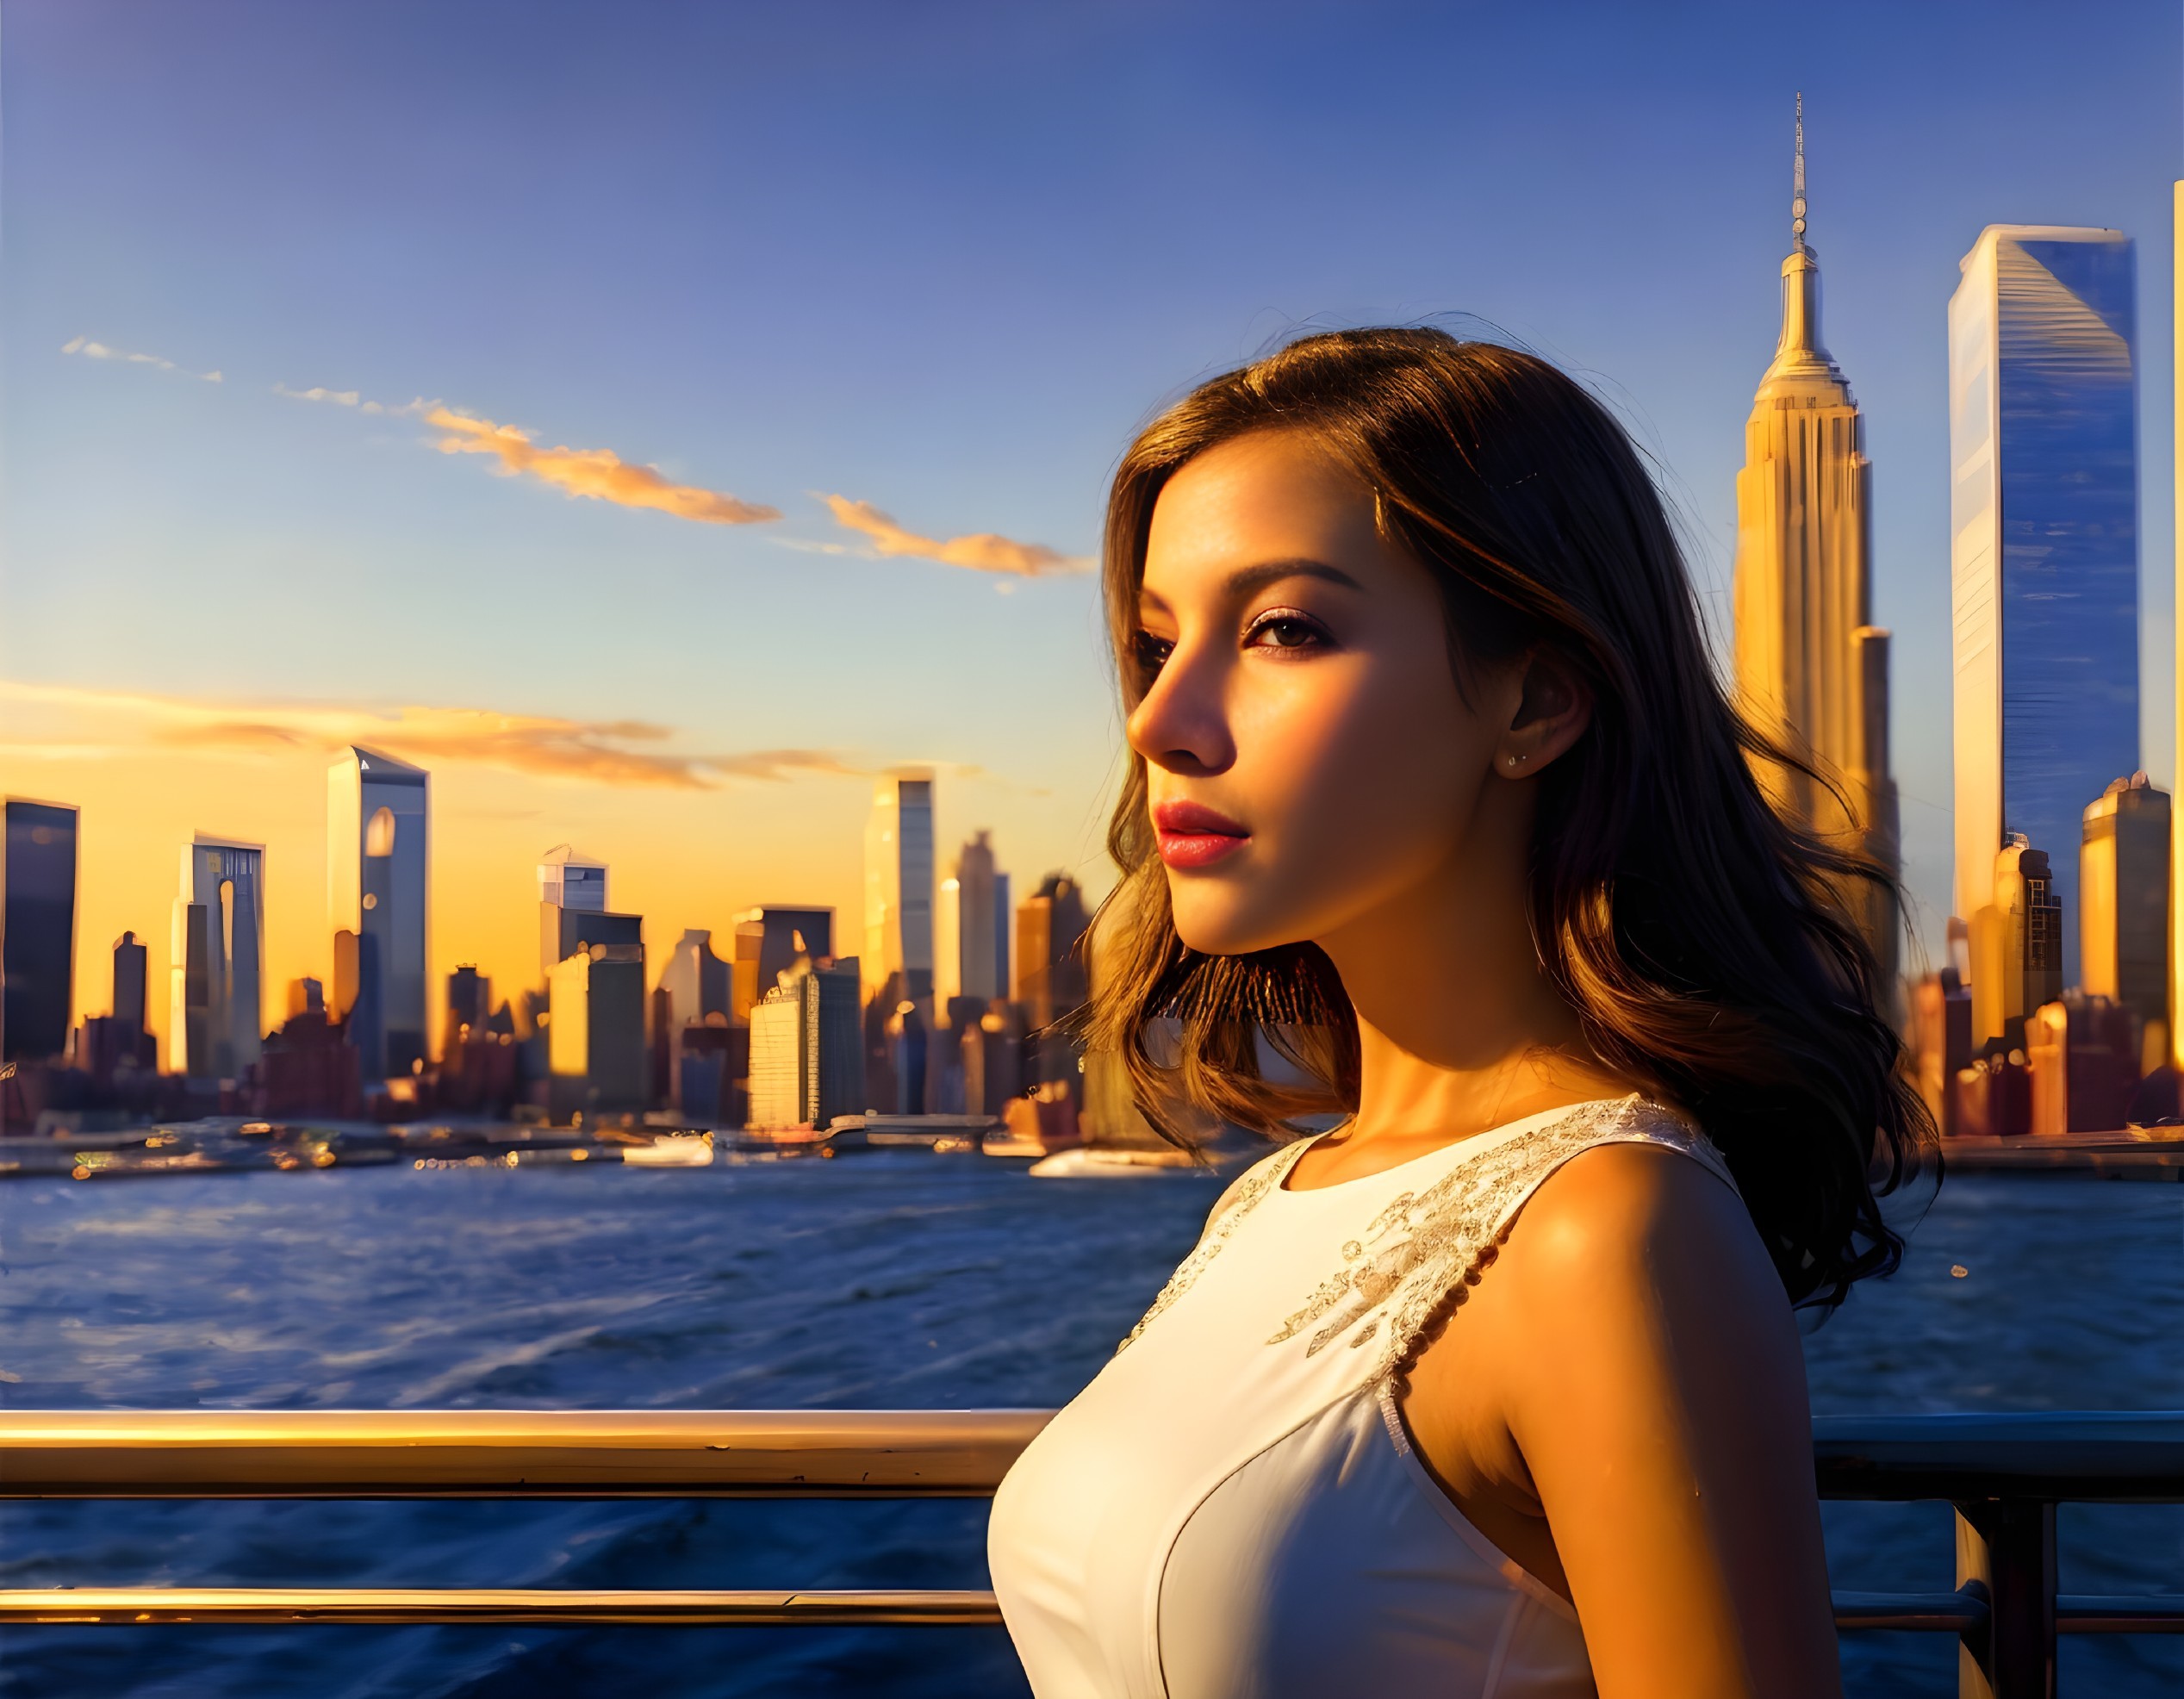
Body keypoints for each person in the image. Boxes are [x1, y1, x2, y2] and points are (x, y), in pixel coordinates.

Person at [987, 328, 1927, 1699]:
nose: (1162, 719)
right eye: (1154, 640)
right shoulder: (1274, 1194)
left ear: (1537, 700)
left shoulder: (1609, 1230)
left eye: (1281, 630)